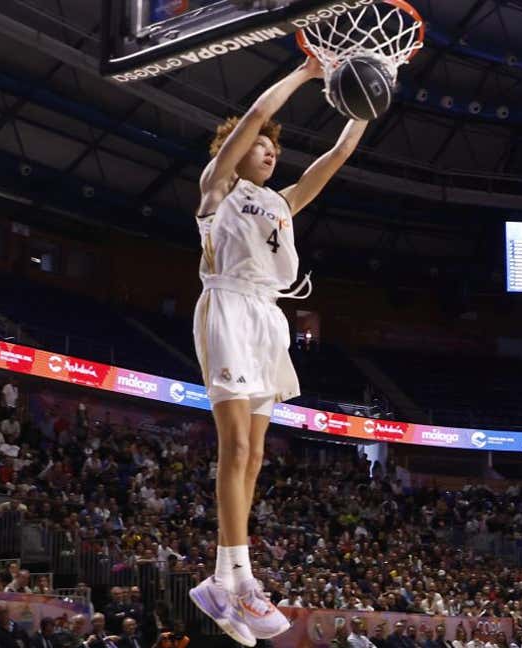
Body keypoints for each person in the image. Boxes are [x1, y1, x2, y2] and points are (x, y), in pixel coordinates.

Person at [186, 54, 369, 648]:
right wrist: (306, 72)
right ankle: (233, 577)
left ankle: (226, 578)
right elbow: (260, 112)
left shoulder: (282, 203)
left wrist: (367, 106)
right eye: (260, 146)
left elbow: (336, 158)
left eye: (273, 149)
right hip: (229, 306)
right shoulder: (218, 188)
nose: (270, 151)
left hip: (268, 317)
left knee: (257, 455)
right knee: (235, 444)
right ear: (236, 150)